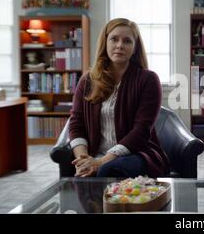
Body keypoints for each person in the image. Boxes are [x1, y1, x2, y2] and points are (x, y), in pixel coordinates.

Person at [68, 18, 170, 178]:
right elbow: (76, 123)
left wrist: (101, 162)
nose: (120, 45)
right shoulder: (87, 80)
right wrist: (83, 160)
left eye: (127, 41)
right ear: (105, 42)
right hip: (94, 153)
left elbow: (141, 130)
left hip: (137, 154)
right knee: (83, 171)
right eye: (114, 39)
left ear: (135, 47)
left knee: (107, 169)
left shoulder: (148, 79)